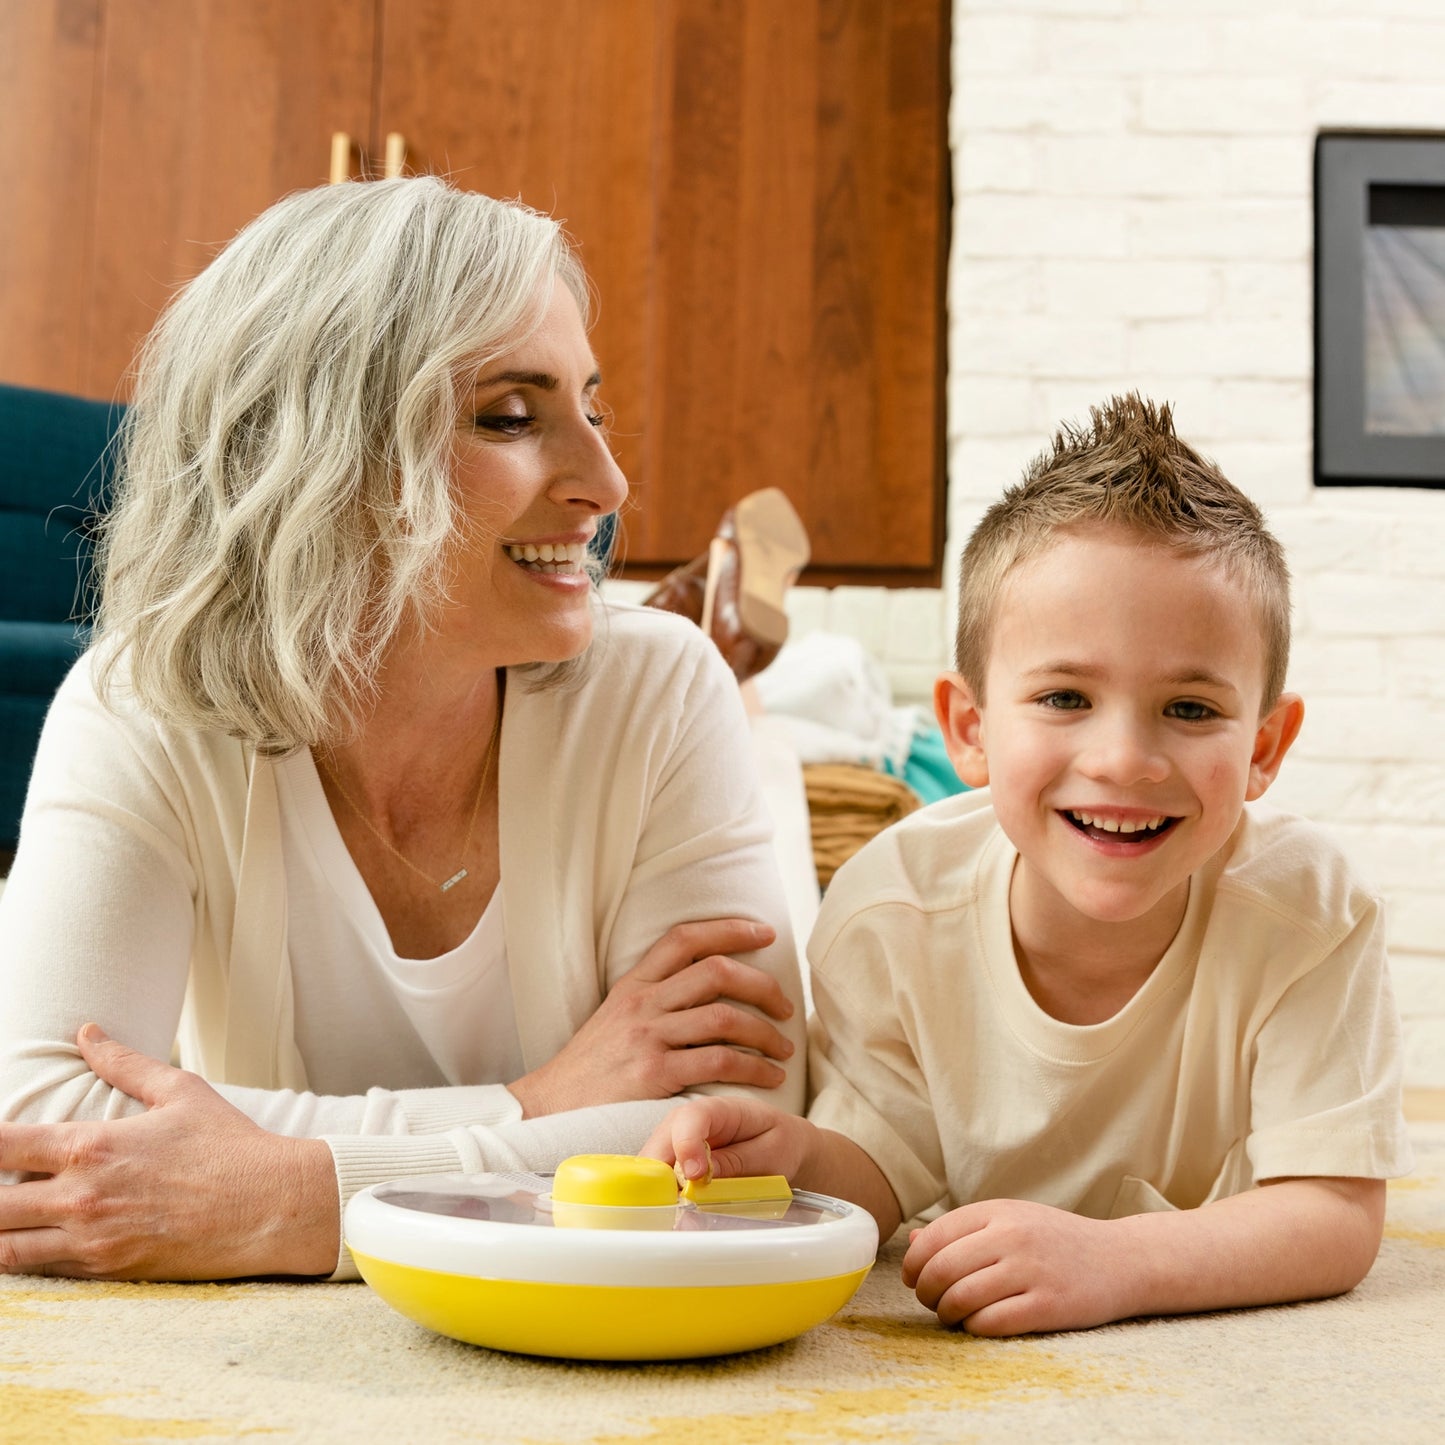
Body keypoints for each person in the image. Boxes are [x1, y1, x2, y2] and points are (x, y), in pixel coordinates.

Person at [0, 176, 807, 1282]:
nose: (607, 480)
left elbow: (731, 1137)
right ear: (320, 461)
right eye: (512, 417)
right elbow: (44, 1133)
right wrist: (539, 1105)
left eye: (591, 407)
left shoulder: (661, 691)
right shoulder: (143, 702)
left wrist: (293, 1199)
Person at [645, 394, 1412, 1337]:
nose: (1123, 759)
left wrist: (1116, 1262)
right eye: (1063, 695)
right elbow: (882, 1165)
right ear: (968, 728)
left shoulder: (1310, 911)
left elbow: (1332, 1214)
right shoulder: (890, 910)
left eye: (1189, 709)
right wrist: (784, 1155)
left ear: (1264, 745)